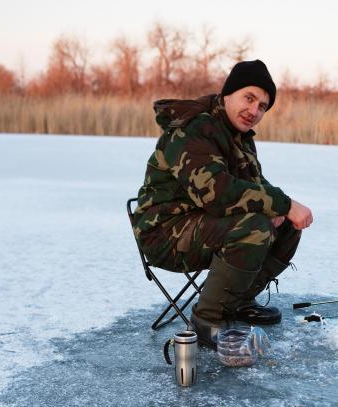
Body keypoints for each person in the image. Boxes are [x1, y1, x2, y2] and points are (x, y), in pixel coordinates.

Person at [133, 59, 313, 348]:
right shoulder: (193, 129)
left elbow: (256, 185)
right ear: (228, 93)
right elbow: (216, 194)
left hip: (205, 226)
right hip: (165, 233)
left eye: (263, 106)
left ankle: (238, 301)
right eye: (249, 98)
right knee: (254, 226)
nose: (254, 111)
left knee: (287, 225)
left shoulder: (239, 137)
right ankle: (208, 320)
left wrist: (281, 209)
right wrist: (281, 203)